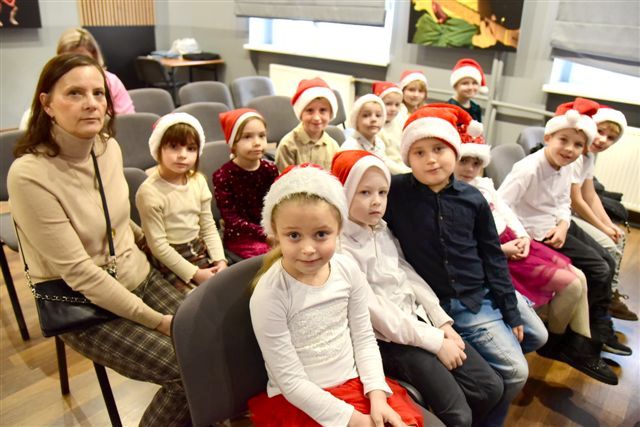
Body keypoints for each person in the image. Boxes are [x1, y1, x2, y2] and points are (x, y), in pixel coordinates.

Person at [8, 53, 189, 425]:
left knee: (210, 342)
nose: (91, 103)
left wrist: (165, 255)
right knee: (184, 373)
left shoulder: (107, 147)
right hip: (84, 303)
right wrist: (158, 321)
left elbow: (119, 223)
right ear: (47, 104)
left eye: (98, 93)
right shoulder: (29, 175)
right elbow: (80, 274)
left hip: (136, 275)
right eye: (74, 93)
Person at [384, 103, 547, 427]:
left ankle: (481, 360)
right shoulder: (395, 192)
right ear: (407, 158)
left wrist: (509, 307)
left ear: (454, 151)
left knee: (538, 336)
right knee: (517, 372)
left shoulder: (472, 198)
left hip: (483, 288)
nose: (431, 159)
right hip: (451, 302)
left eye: (439, 149)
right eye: (419, 152)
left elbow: (492, 256)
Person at [333, 150, 503, 426]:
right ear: (343, 194)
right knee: (459, 415)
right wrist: (436, 342)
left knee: (490, 388)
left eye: (382, 192)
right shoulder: (340, 248)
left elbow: (407, 273)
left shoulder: (381, 228)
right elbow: (378, 313)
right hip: (388, 341)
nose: (376, 201)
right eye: (364, 193)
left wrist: (441, 322)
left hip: (418, 322)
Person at [248, 164, 428, 427]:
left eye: (321, 234)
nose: (308, 249)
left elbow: (363, 338)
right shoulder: (270, 294)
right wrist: (358, 421)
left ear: (339, 230)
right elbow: (291, 381)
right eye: (294, 235)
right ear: (275, 234)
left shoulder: (347, 269)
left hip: (355, 386)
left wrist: (377, 395)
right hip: (302, 401)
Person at [454, 138, 617, 385]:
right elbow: (466, 243)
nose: (469, 168)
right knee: (572, 284)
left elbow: (506, 211)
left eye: (475, 163)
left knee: (581, 277)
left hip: (514, 239)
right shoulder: (456, 196)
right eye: (463, 161)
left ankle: (582, 345)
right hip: (500, 251)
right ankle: (560, 344)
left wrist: (522, 236)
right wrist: (503, 249)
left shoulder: (483, 185)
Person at [499, 98, 632, 357]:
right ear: (548, 137)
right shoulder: (528, 168)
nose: (570, 149)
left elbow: (563, 201)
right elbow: (501, 204)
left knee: (598, 266)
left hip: (552, 229)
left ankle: (582, 338)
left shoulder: (567, 165)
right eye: (564, 140)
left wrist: (563, 224)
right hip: (530, 235)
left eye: (578, 145)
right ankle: (572, 340)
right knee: (588, 274)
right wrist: (524, 235)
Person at [136, 112, 227, 294]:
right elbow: (159, 247)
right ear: (158, 149)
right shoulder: (149, 193)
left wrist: (220, 260)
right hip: (169, 259)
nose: (183, 155)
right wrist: (195, 274)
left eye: (191, 148)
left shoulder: (198, 181)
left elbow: (208, 226)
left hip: (197, 248)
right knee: (195, 302)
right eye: (174, 147)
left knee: (226, 291)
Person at [570, 106, 637, 321]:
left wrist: (608, 224)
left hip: (572, 212)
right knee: (609, 245)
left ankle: (610, 293)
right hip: (564, 214)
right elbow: (576, 200)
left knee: (618, 235)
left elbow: (590, 195)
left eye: (610, 138)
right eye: (600, 132)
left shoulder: (589, 156)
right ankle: (603, 300)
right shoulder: (576, 154)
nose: (603, 140)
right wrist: (602, 228)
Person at [213, 108, 279, 259]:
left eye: (261, 136)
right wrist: (264, 234)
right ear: (233, 144)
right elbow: (231, 219)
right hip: (242, 236)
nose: (257, 143)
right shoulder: (223, 176)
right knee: (271, 257)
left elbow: (277, 204)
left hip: (271, 229)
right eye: (247, 137)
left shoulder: (270, 169)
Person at [57, 27, 135, 115]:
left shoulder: (111, 82)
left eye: (98, 93)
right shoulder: (56, 84)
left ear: (95, 57)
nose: (76, 65)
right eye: (69, 60)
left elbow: (128, 119)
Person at [275, 78, 340, 171]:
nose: (316, 118)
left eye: (323, 110)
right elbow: (284, 178)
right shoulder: (287, 145)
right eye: (310, 110)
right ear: (301, 114)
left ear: (330, 114)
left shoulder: (334, 147)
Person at [340, 94, 408, 174]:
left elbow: (385, 163)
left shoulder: (379, 142)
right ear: (355, 120)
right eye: (366, 115)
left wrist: (408, 172)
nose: (373, 119)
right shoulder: (350, 148)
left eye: (378, 115)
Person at [372, 81, 410, 174]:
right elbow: (383, 160)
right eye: (388, 104)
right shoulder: (374, 129)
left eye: (397, 105)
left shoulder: (400, 121)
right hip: (390, 172)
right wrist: (407, 172)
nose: (393, 109)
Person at [447, 58, 487, 122]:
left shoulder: (476, 108)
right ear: (455, 86)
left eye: (474, 83)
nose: (470, 87)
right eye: (465, 83)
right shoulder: (448, 108)